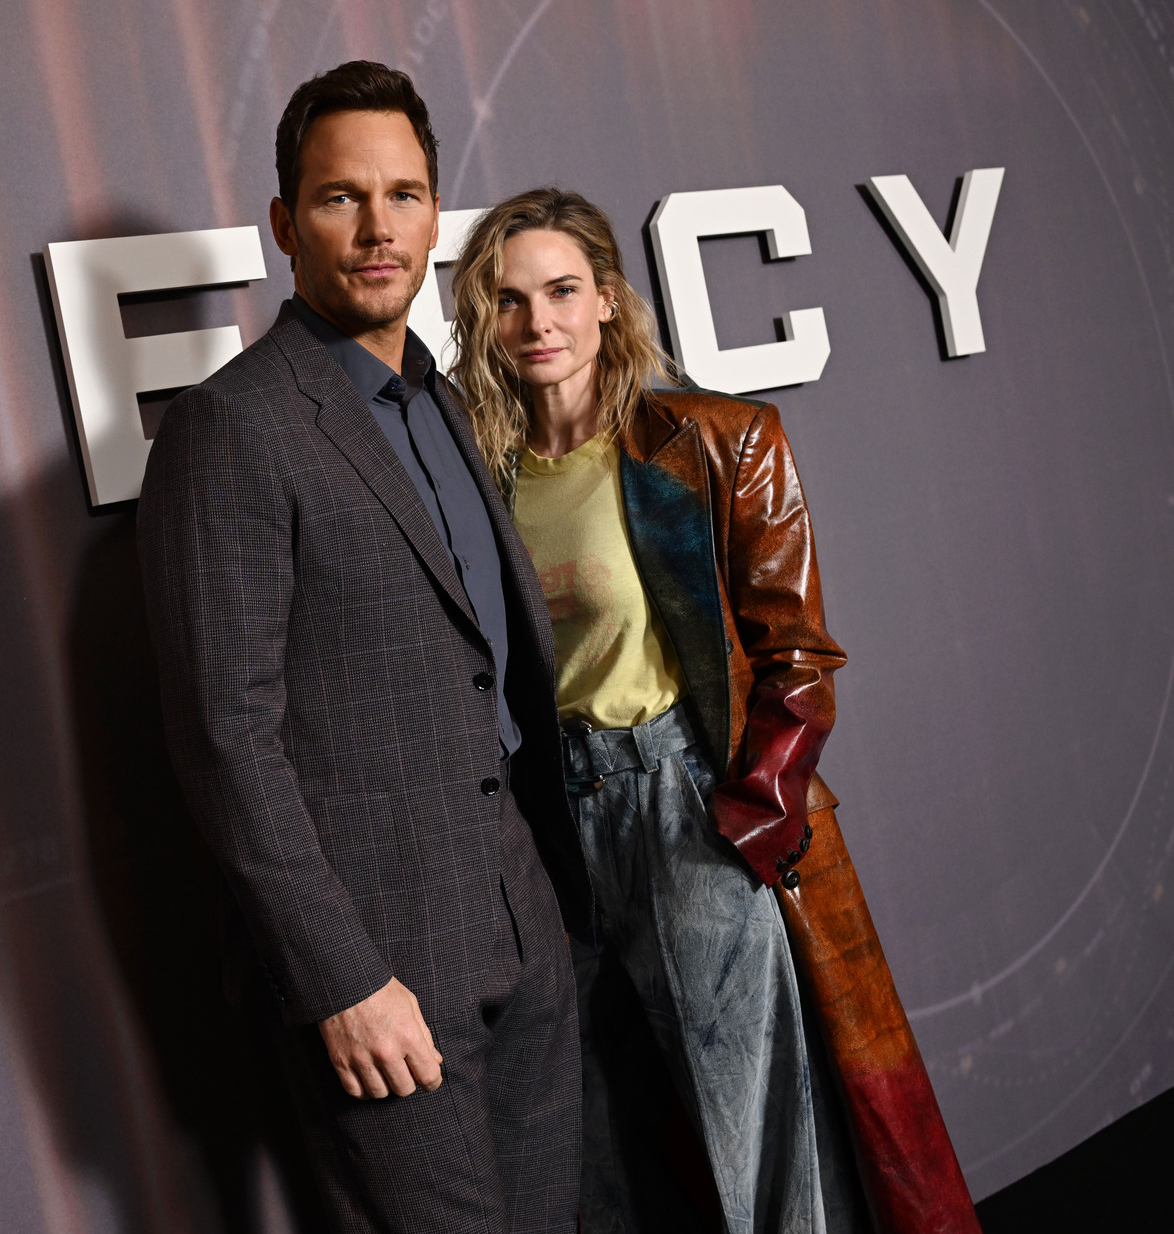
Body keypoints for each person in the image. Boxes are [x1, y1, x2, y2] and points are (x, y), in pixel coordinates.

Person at [448, 187, 980, 1234]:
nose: (537, 322)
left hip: (683, 799)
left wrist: (756, 806)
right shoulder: (479, 479)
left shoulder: (715, 439)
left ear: (608, 298)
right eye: (508, 300)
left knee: (753, 1125)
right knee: (602, 1135)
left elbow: (798, 654)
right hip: (552, 827)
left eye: (561, 291)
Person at [137, 64, 588, 1233]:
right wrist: (337, 975)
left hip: (522, 913)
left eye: (403, 195)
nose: (377, 227)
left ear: (435, 218)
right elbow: (226, 741)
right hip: (382, 956)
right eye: (340, 197)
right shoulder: (230, 427)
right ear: (284, 224)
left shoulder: (444, 399)